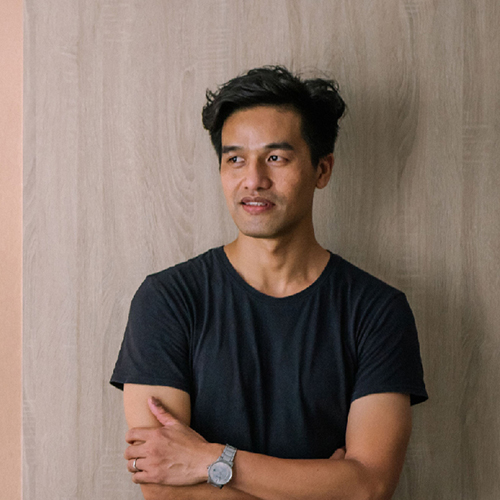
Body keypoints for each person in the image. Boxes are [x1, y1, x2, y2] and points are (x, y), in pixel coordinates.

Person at [110, 66, 428, 500]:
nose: (253, 180)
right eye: (235, 159)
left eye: (276, 158)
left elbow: (368, 487)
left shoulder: (376, 311)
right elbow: (162, 489)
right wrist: (323, 487)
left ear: (322, 169)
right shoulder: (168, 300)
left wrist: (210, 461)